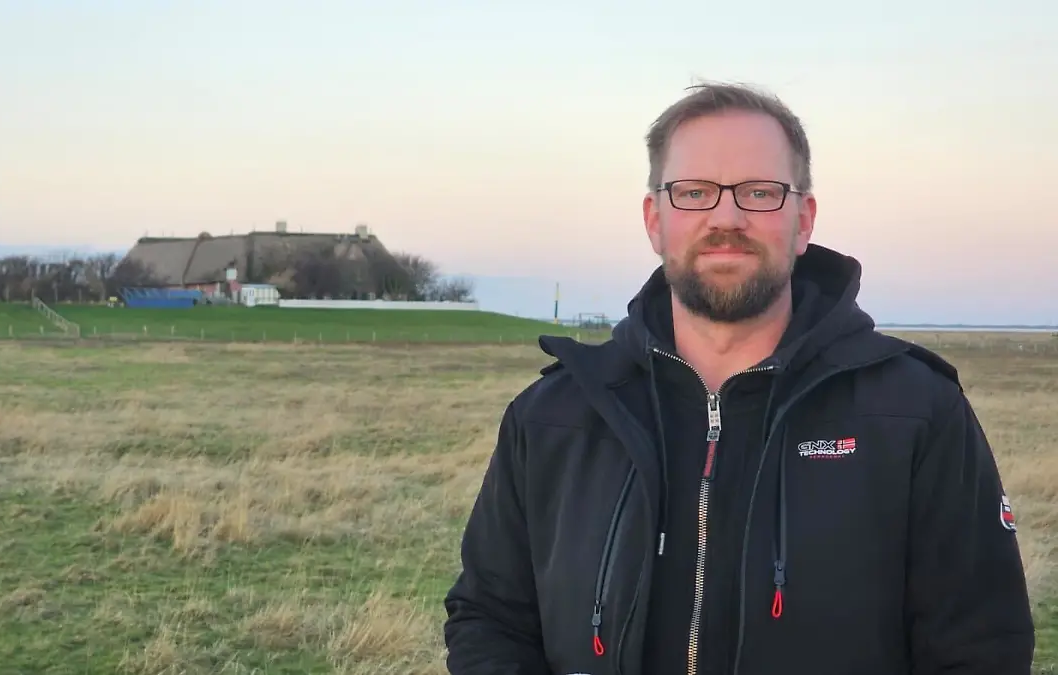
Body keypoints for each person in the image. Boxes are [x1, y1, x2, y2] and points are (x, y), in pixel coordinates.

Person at [441, 82, 1035, 674]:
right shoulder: (554, 417)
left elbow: (981, 646)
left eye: (760, 192)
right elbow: (490, 618)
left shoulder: (914, 412)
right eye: (694, 192)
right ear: (655, 220)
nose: (726, 216)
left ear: (804, 220)